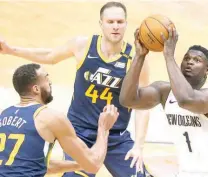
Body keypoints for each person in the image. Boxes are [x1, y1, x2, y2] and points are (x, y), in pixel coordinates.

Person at [0, 1, 152, 176]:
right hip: (80, 133)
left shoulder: (136, 59)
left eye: (120, 22)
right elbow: (50, 56)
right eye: (110, 22)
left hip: (116, 135)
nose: (115, 26)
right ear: (101, 24)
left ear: (126, 24)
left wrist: (139, 146)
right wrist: (12, 50)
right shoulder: (83, 45)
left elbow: (142, 106)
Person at [119, 27, 208, 177]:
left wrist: (168, 55)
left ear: (207, 70)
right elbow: (127, 100)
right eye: (186, 58)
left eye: (197, 60)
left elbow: (186, 99)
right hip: (185, 172)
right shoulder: (164, 91)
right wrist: (139, 56)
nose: (189, 63)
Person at [0, 63, 119, 177]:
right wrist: (104, 128)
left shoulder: (4, 115)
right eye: (46, 78)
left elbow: (39, 165)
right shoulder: (50, 117)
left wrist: (79, 165)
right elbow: (93, 164)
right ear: (36, 89)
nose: (50, 82)